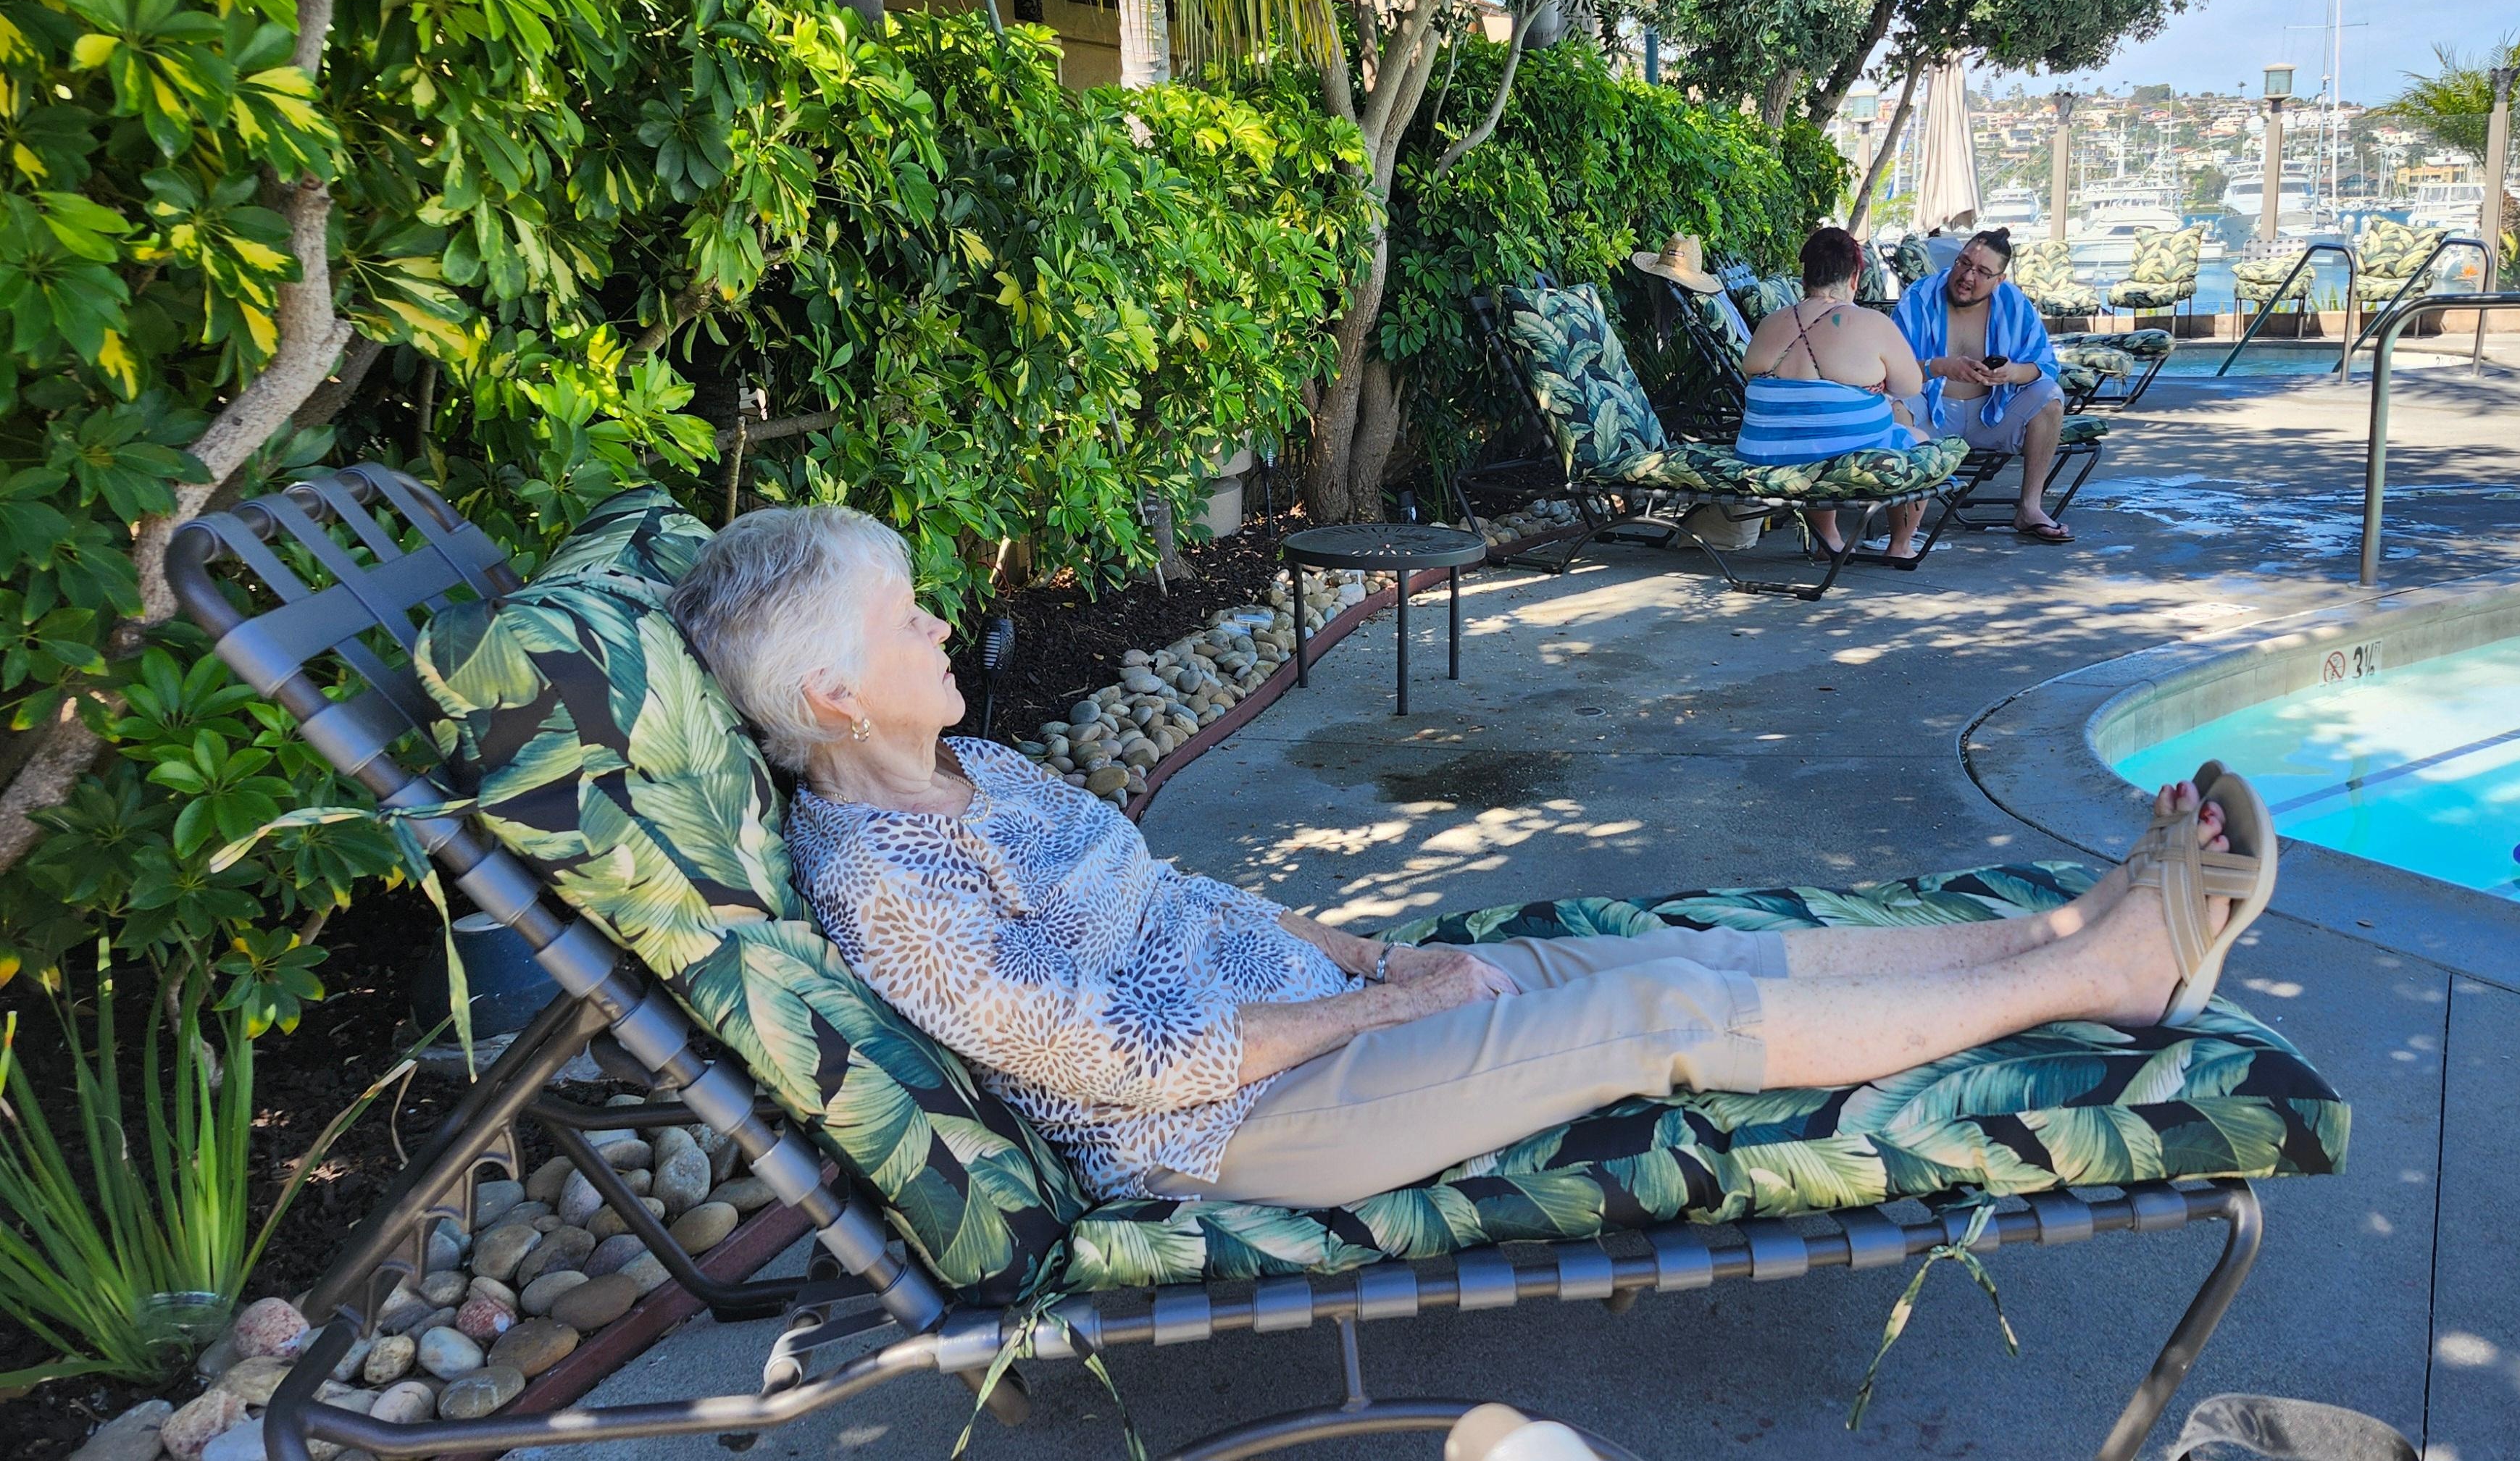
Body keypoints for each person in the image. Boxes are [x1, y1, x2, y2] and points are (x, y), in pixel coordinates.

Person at [668, 506, 2272, 1211]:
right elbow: (1125, 1055)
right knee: (1659, 1013)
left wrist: (1364, 954)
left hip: (1308, 1005)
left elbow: (1173, 895)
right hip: (1246, 1118)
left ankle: (2073, 917)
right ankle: (2106, 969)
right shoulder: (884, 878)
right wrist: (1371, 1013)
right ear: (828, 689)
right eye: (904, 616)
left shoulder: (974, 765)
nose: (941, 618)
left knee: (1692, 949)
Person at [1735, 227, 1930, 557]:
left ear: (1805, 277)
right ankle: (1900, 545)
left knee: (1813, 429)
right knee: (1917, 442)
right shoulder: (1872, 323)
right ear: (1854, 278)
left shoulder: (1770, 323)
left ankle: (1829, 540)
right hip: (1839, 461)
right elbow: (1910, 386)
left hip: (1762, 455)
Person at [1890, 227, 2076, 544]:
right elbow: (1891, 371)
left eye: (1982, 272)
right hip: (1931, 416)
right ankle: (1905, 527)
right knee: (1891, 403)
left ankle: (2030, 508)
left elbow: (2046, 366)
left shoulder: (2015, 305)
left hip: (1992, 414)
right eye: (1964, 263)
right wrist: (1940, 366)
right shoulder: (1920, 297)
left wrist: (2012, 373)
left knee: (2050, 397)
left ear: (1999, 280)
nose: (1967, 276)